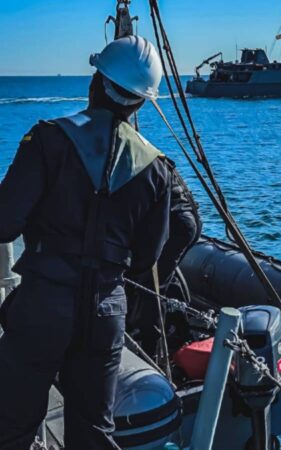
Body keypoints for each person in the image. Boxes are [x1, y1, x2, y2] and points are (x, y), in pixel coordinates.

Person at [0, 35, 170, 449]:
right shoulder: (158, 169)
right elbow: (147, 256)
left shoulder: (46, 139)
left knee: (11, 425)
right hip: (106, 314)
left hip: (43, 305)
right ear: (140, 103)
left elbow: (4, 224)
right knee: (94, 431)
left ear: (96, 82)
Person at [126, 161, 202, 356]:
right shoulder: (152, 158)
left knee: (151, 288)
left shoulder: (129, 163)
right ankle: (182, 330)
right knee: (167, 278)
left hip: (174, 225)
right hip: (189, 220)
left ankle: (152, 351)